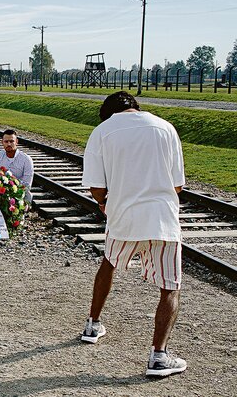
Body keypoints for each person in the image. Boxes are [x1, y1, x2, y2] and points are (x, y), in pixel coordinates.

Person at [80, 91, 187, 377]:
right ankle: (159, 356)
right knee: (169, 286)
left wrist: (105, 203)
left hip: (123, 216)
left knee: (109, 263)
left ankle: (92, 325)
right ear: (136, 107)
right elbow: (177, 185)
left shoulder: (102, 132)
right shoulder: (166, 128)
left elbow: (95, 185)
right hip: (162, 217)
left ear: (109, 113)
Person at [0, 129, 34, 203]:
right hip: (0, 193)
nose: (9, 144)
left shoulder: (26, 159)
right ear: (2, 142)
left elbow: (27, 184)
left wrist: (12, 190)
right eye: (6, 142)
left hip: (19, 194)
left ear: (16, 142)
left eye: (11, 141)